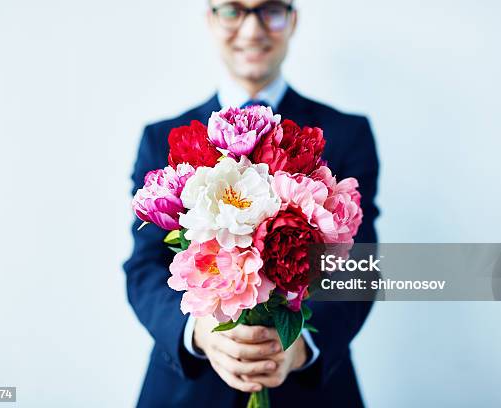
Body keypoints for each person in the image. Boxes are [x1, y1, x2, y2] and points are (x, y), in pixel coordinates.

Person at [123, 1, 380, 406]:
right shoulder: (164, 139)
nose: (251, 29)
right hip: (188, 391)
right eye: (232, 10)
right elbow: (144, 266)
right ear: (210, 19)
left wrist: (301, 347)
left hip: (310, 391)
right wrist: (200, 333)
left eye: (270, 10)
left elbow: (361, 264)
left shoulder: (345, 134)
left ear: (292, 19)